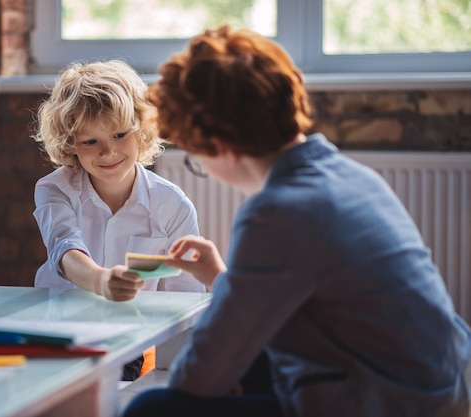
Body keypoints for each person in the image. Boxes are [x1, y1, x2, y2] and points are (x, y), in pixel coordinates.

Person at [122, 26, 471, 416]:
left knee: (152, 407)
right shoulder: (348, 174)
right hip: (440, 387)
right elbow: (306, 306)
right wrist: (222, 280)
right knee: (253, 357)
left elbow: (199, 378)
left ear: (220, 146)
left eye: (196, 156)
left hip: (391, 403)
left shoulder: (277, 212)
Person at [31, 60, 206, 380]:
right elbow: (65, 249)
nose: (108, 152)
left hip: (128, 339)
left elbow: (183, 295)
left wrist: (176, 378)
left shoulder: (172, 205)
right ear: (70, 143)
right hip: (57, 330)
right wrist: (101, 281)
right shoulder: (53, 190)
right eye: (90, 141)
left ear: (141, 131)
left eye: (120, 134)